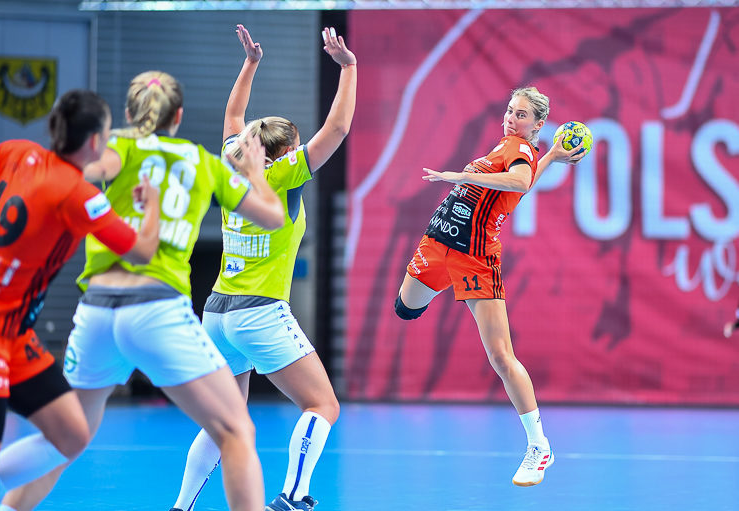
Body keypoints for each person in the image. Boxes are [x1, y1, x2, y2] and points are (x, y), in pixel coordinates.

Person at [0, 71, 285, 511]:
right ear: (179, 115)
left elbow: (82, 170)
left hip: (95, 313)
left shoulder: (118, 147)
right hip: (156, 311)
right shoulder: (203, 162)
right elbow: (272, 217)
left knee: (64, 441)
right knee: (236, 430)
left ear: (130, 114)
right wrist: (254, 174)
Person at [168, 25, 356, 511]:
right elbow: (337, 130)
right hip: (260, 312)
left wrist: (250, 63)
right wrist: (349, 69)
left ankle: (181, 506)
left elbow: (234, 117)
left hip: (216, 312)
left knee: (226, 420)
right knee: (322, 404)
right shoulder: (285, 174)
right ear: (287, 152)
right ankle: (293, 497)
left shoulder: (232, 165)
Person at [0, 89, 161, 510]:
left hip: (14, 335)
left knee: (73, 434)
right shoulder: (79, 196)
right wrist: (152, 206)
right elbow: (142, 251)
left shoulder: (15, 152)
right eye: (108, 134)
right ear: (94, 141)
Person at [396, 87, 585, 487]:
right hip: (439, 242)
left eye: (521, 115)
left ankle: (539, 446)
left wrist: (461, 175)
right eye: (510, 111)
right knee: (405, 308)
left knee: (500, 356)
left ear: (537, 124)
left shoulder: (520, 148)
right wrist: (552, 156)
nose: (511, 118)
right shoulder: (508, 146)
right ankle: (453, 286)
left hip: (475, 258)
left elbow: (519, 180)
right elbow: (520, 185)